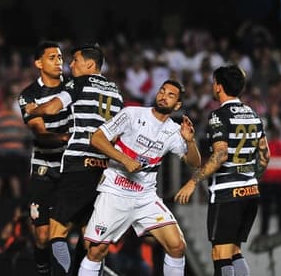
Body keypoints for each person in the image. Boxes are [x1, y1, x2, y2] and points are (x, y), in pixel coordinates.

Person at [78, 80, 202, 276]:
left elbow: (194, 163)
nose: (163, 96)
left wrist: (190, 141)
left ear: (178, 105)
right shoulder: (132, 113)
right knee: (96, 252)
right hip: (115, 192)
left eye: (170, 95)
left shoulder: (173, 130)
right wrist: (124, 160)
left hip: (145, 197)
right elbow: (97, 138)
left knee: (177, 246)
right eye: (162, 91)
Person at [25, 43, 125, 275]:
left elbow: (53, 108)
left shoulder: (79, 83)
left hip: (80, 165)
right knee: (89, 238)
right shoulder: (115, 90)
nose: (70, 65)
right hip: (104, 170)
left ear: (90, 64)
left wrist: (34, 109)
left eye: (75, 60)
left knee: (56, 232)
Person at [175, 65, 269, 276]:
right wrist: (249, 180)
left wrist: (193, 182)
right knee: (234, 251)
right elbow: (265, 156)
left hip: (227, 195)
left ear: (218, 86)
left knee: (220, 255)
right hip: (250, 193)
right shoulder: (254, 114)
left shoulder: (218, 115)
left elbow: (220, 155)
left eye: (213, 82)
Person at [18, 41, 71, 275]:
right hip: (43, 167)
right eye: (52, 57)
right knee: (41, 235)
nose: (59, 61)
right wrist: (69, 138)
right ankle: (43, 270)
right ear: (38, 63)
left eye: (60, 57)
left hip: (72, 167)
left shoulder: (73, 88)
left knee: (71, 230)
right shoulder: (28, 95)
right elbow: (40, 133)